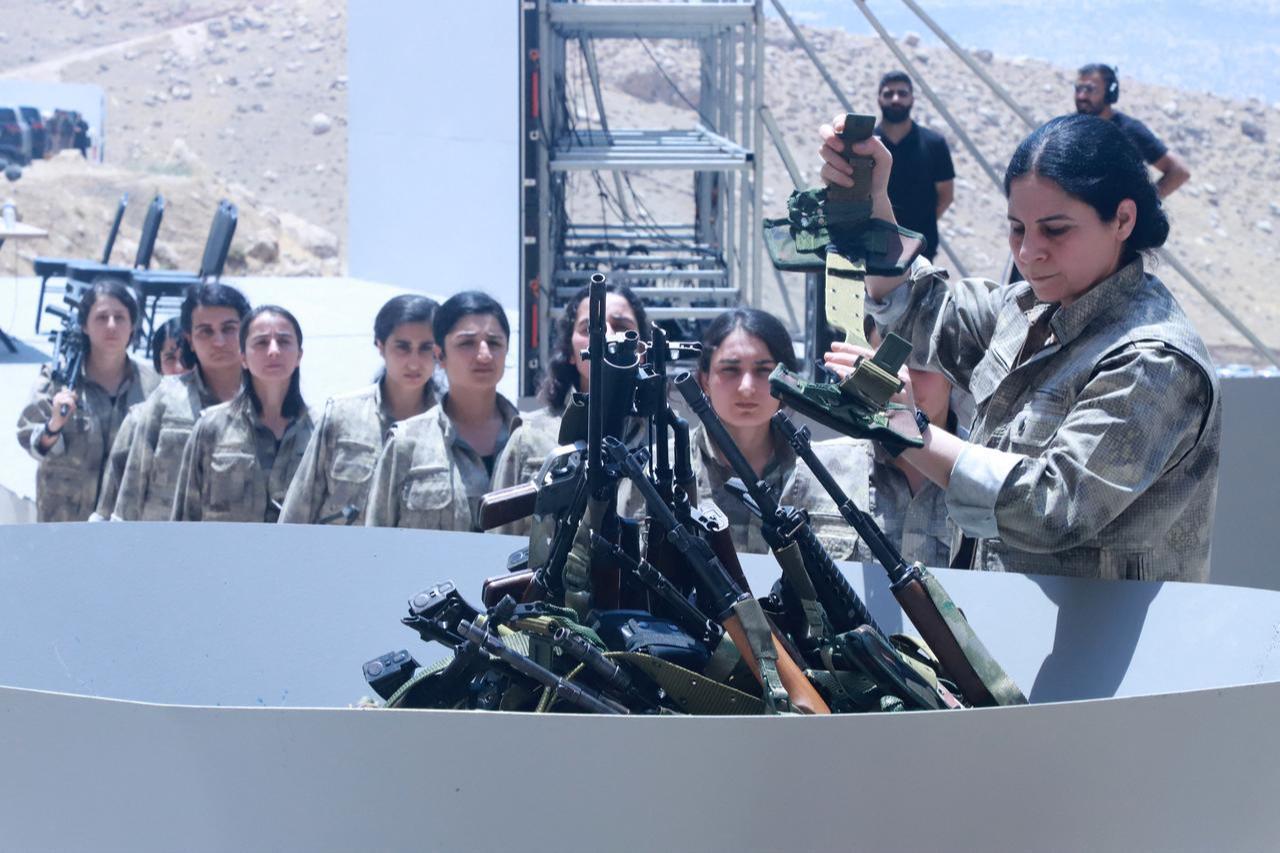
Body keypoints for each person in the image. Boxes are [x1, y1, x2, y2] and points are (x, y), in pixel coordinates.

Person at [819, 112, 1220, 581]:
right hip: (1002, 628)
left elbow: (1052, 508)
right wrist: (871, 203)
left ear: (1123, 219)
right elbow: (920, 310)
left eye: (1055, 229)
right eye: (1017, 229)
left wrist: (908, 431)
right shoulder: (1025, 310)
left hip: (1100, 648)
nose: (1029, 252)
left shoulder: (1153, 360)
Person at [693, 307, 870, 558]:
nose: (746, 387)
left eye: (763, 370)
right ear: (704, 380)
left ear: (785, 379)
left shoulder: (826, 473)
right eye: (730, 370)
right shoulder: (664, 467)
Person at [490, 283, 649, 535]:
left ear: (642, 350)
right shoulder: (527, 438)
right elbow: (499, 539)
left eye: (622, 328)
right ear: (571, 353)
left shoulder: (665, 444)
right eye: (590, 328)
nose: (606, 335)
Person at [279, 294, 440, 525]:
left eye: (426, 348)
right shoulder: (342, 416)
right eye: (402, 347)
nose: (414, 362)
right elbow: (298, 509)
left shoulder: (447, 426)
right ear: (380, 346)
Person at [366, 291, 520, 531]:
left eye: (494, 342)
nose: (484, 354)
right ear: (440, 355)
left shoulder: (534, 442)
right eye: (467, 343)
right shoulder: (406, 444)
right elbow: (375, 543)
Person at [16, 278, 159, 522]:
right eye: (102, 318)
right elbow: (31, 441)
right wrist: (54, 425)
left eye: (120, 317)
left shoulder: (154, 386)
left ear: (133, 326)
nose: (111, 326)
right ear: (84, 325)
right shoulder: (57, 381)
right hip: (64, 520)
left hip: (125, 521)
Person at [109, 283, 250, 520]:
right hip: (166, 546)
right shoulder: (166, 399)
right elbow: (133, 484)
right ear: (190, 339)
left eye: (229, 328)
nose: (219, 341)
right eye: (205, 331)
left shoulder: (266, 399)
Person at [172, 306, 315, 523]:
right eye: (261, 342)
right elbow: (185, 516)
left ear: (299, 356)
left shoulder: (320, 430)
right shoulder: (212, 426)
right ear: (243, 358)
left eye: (284, 342)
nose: (274, 350)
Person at [857, 320, 959, 568]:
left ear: (954, 373)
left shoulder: (989, 479)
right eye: (887, 363)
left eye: (920, 362)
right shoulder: (818, 471)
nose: (904, 380)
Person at [91, 317, 191, 521]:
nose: (180, 368)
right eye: (170, 358)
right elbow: (109, 499)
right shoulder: (139, 419)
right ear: (158, 364)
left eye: (188, 360)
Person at [1074, 63, 1190, 199]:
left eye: (1089, 89)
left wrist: (1146, 205)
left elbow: (1179, 171)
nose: (1081, 96)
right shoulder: (1068, 129)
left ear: (1110, 93)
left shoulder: (1128, 130)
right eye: (1078, 89)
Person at [873, 70, 955, 261]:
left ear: (912, 99)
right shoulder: (866, 145)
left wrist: (921, 223)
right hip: (874, 249)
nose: (895, 99)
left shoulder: (934, 144)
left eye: (902, 93)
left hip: (920, 250)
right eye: (888, 94)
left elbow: (946, 195)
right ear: (879, 99)